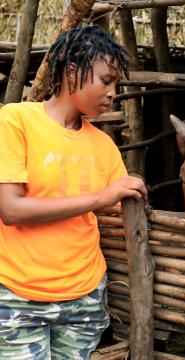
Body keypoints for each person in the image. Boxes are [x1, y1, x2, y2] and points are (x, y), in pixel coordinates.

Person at [0, 26, 147, 359]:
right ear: (70, 71)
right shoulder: (15, 121)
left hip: (84, 298)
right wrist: (100, 197)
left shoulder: (105, 146)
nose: (112, 93)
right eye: (106, 80)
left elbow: (122, 210)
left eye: (116, 85)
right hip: (17, 296)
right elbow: (11, 209)